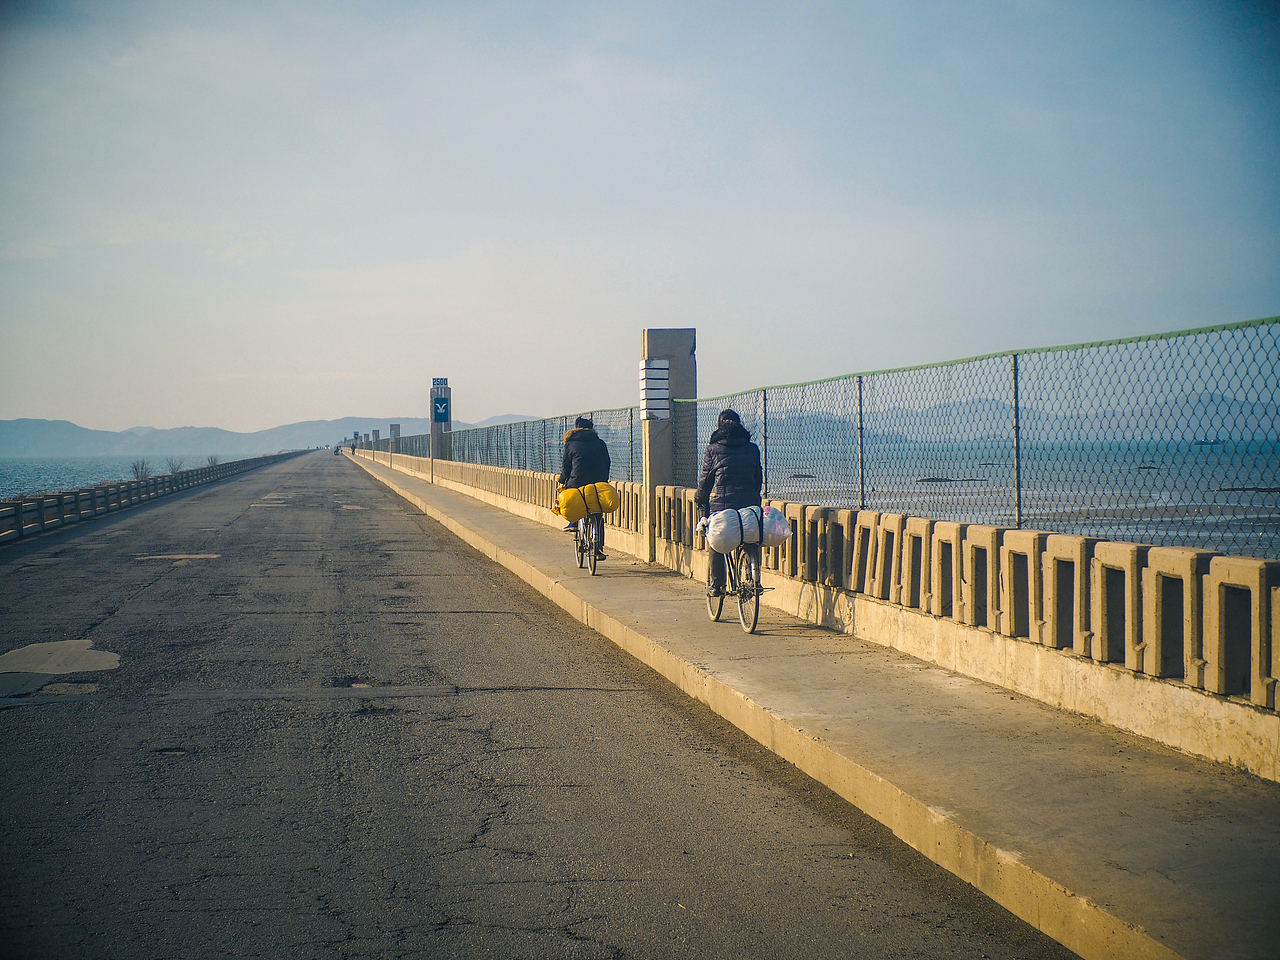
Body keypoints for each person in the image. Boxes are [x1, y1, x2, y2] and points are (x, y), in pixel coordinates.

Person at [695, 409, 763, 598]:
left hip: (723, 505)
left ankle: (717, 585)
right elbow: (758, 479)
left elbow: (706, 481)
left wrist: (700, 500)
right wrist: (753, 497)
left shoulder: (712, 449)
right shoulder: (752, 448)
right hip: (750, 502)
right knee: (752, 536)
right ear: (739, 425)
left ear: (718, 427)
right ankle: (754, 577)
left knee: (715, 540)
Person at [558, 417, 611, 555]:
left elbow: (566, 466)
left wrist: (563, 480)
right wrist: (604, 480)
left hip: (577, 481)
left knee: (574, 500)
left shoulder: (570, 444)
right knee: (597, 512)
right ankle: (598, 548)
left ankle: (574, 523)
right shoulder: (600, 443)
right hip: (598, 482)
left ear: (575, 429)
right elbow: (607, 462)